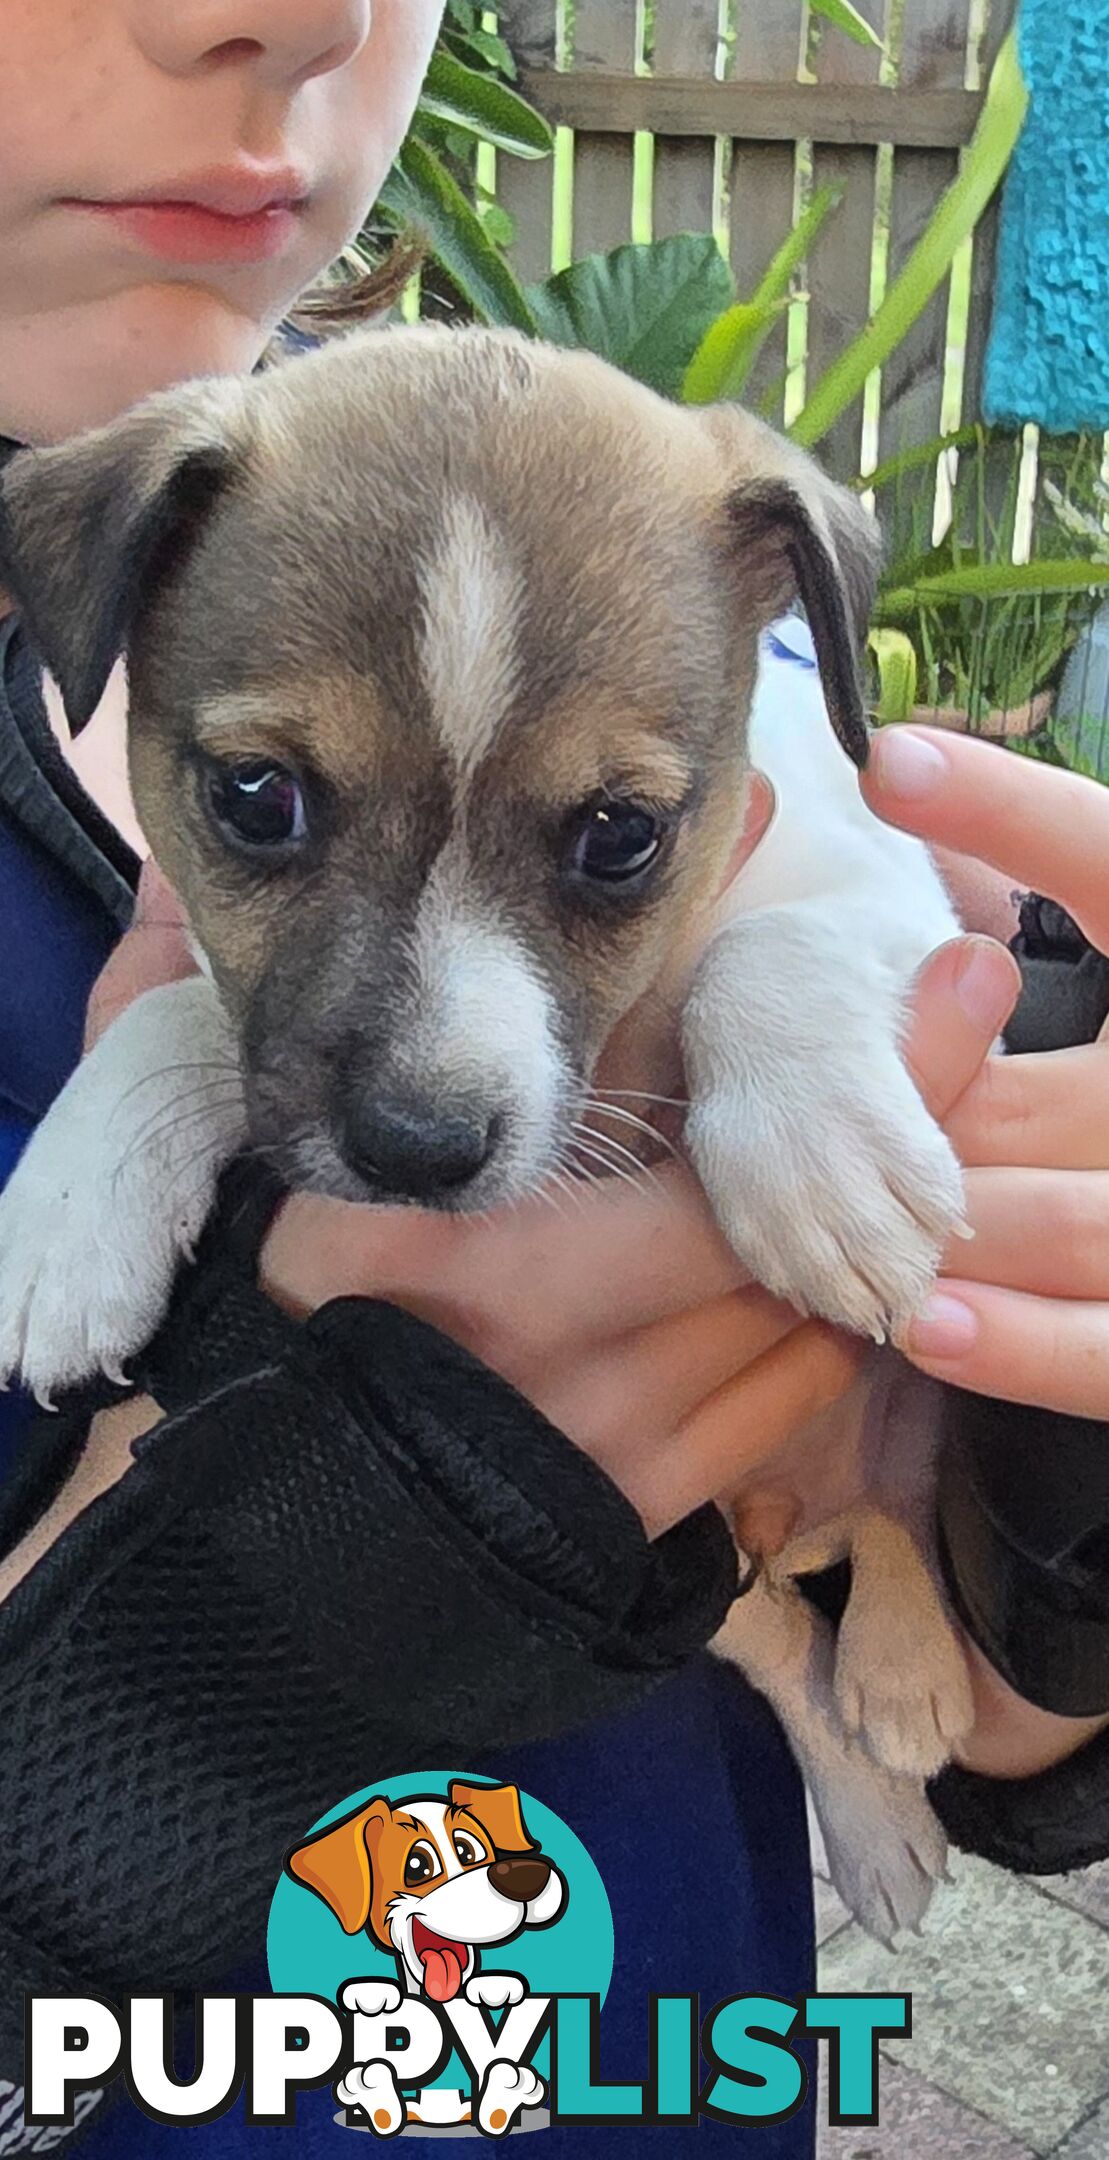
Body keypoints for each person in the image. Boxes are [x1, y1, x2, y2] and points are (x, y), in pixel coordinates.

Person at [0, 5, 1105, 2151]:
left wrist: (1056, 1501)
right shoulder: (197, 513)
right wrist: (258, 1599)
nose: (293, 8)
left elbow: (1007, 1723)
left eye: (606, 846)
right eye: (263, 801)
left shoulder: (642, 554)